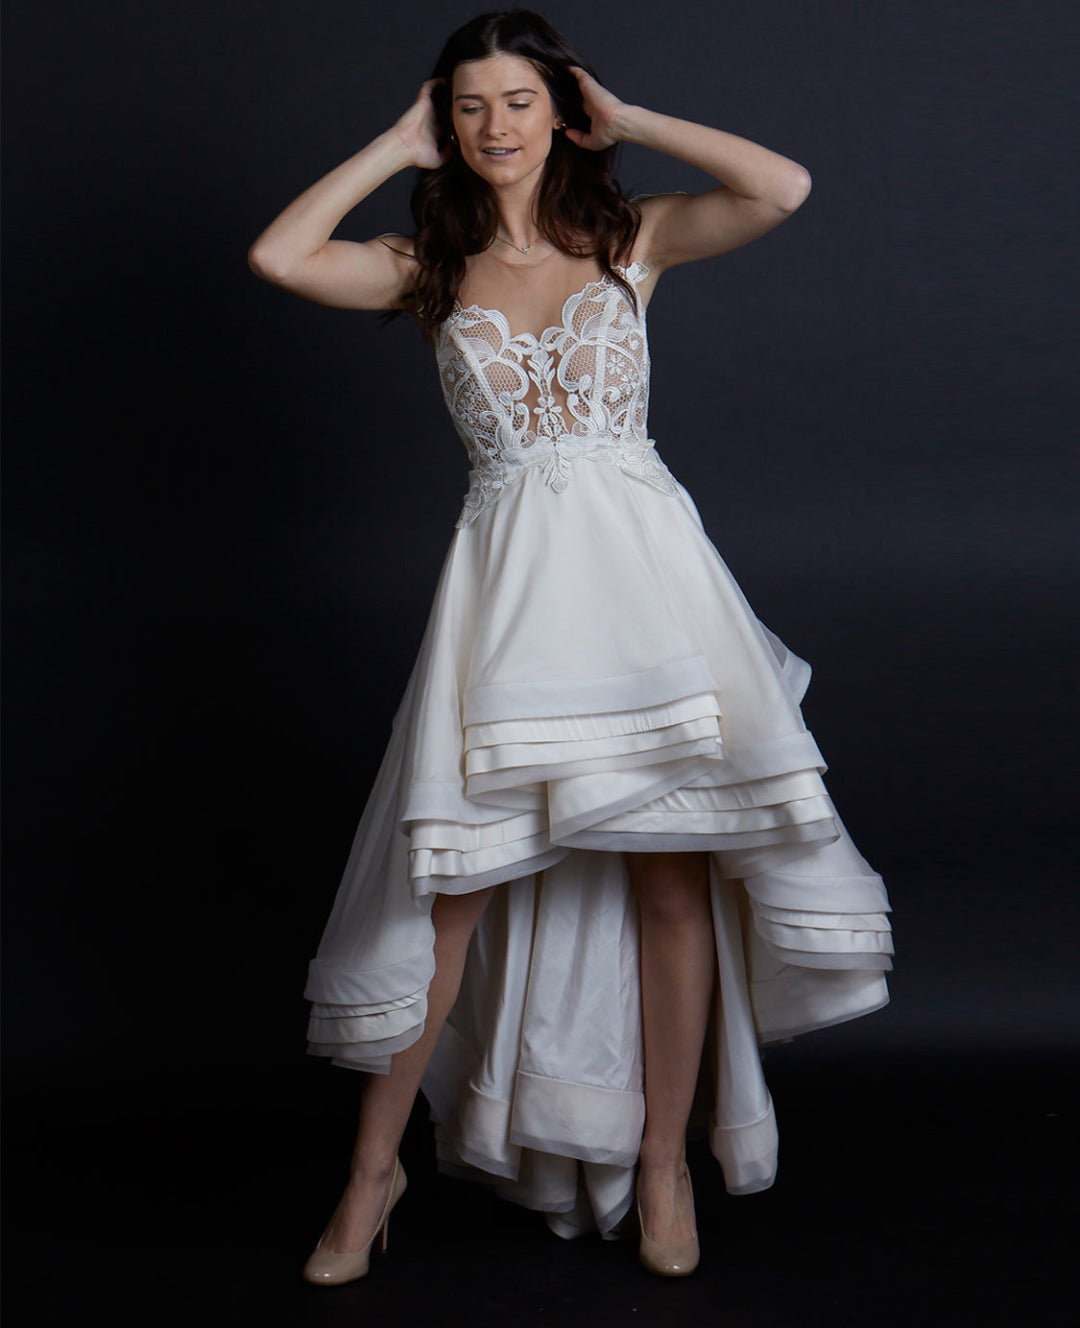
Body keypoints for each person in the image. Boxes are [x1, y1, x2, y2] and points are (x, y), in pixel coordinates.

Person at [248, 8, 893, 1285]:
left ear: (562, 110)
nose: (497, 127)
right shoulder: (421, 267)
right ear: (447, 117)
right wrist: (391, 143)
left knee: (669, 880)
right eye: (471, 105)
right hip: (512, 605)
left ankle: (662, 1161)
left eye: (520, 102)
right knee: (453, 896)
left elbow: (784, 186)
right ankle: (372, 1173)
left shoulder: (628, 241)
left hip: (652, 598)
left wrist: (637, 121)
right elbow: (278, 256)